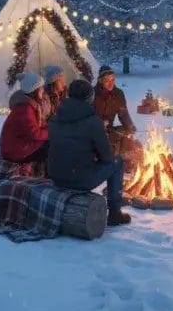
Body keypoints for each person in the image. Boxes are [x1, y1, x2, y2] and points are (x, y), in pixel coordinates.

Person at [48, 79, 131, 226]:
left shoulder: (55, 118)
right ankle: (114, 212)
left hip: (56, 176)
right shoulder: (93, 121)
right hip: (79, 180)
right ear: (89, 98)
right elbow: (107, 158)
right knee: (117, 162)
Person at [93, 65, 141, 171]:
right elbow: (87, 116)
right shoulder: (93, 94)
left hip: (109, 129)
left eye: (113, 80)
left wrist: (130, 126)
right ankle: (104, 163)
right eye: (107, 81)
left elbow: (123, 114)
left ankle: (126, 164)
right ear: (100, 80)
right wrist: (98, 123)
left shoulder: (118, 94)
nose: (111, 83)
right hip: (94, 131)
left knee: (125, 134)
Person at [0, 71, 50, 164]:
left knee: (50, 143)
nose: (43, 90)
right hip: (14, 151)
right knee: (50, 148)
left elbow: (40, 125)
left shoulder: (32, 105)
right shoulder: (25, 108)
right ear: (34, 90)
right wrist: (51, 132)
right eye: (41, 88)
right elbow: (34, 133)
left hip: (19, 145)